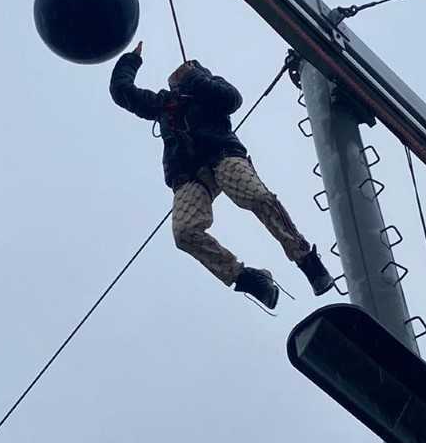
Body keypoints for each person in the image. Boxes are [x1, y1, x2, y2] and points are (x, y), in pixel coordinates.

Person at [109, 41, 334, 309]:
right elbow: (122, 92)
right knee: (185, 232)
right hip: (189, 175)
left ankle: (306, 259)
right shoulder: (163, 105)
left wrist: (193, 77)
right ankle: (249, 279)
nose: (176, 75)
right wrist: (131, 61)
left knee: (257, 197)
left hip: (222, 154)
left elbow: (232, 99)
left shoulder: (207, 90)